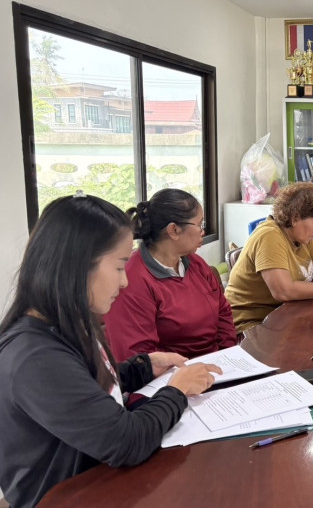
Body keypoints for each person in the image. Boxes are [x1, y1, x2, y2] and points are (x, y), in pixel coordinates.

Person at [0, 193, 221, 508]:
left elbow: (85, 387)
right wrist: (177, 391)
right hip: (72, 496)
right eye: (119, 267)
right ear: (78, 267)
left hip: (105, 481)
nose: (125, 281)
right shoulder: (35, 356)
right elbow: (125, 441)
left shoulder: (70, 322)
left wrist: (141, 367)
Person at [104, 189, 236, 360]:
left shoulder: (195, 263)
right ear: (173, 230)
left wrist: (227, 356)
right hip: (173, 372)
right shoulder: (132, 279)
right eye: (199, 224)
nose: (202, 231)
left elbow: (223, 312)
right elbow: (139, 357)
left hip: (216, 363)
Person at [226, 182, 313, 331]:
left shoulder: (299, 235)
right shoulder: (269, 236)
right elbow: (284, 291)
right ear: (295, 218)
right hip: (251, 325)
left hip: (284, 314)